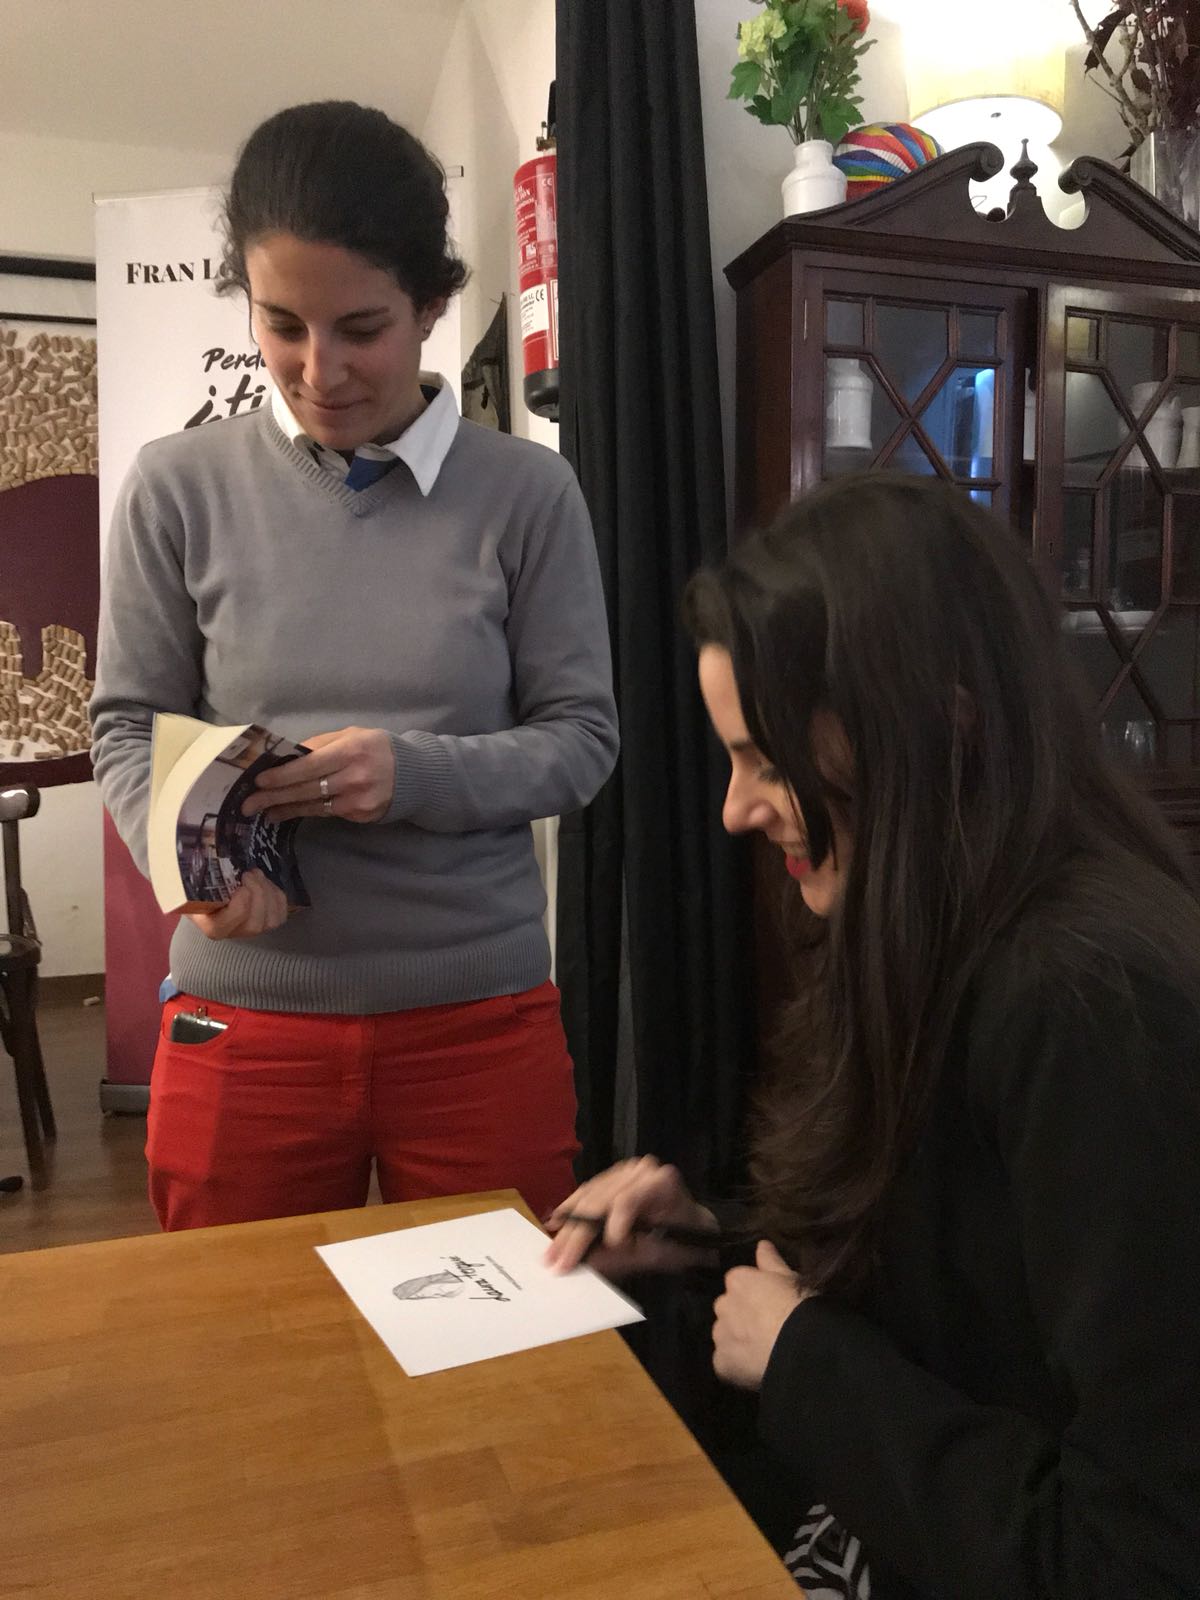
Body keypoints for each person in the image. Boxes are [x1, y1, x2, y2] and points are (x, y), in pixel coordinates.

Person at [545, 474, 1200, 1599]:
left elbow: (1141, 1554)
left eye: (767, 762)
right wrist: (712, 1241)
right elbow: (975, 1286)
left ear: (939, 725)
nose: (735, 810)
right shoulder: (947, 921)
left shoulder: (1087, 1004)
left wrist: (805, 1362)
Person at [91, 101, 617, 1231]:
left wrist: (411, 772)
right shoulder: (176, 488)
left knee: (494, 1332)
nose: (317, 370)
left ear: (432, 305)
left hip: (476, 1018)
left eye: (361, 328)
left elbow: (582, 741)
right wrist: (194, 866)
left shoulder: (530, 496)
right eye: (281, 324)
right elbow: (126, 724)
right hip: (245, 1021)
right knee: (243, 1329)